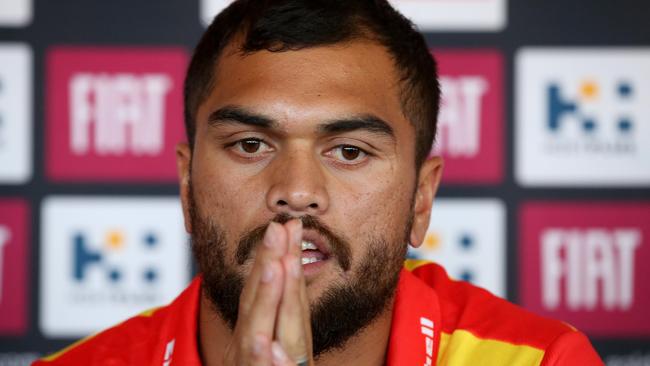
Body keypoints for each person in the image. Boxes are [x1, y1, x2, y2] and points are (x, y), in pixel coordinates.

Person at [34, 0, 604, 365]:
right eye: (251, 145)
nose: (297, 190)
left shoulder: (540, 362)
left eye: (350, 151)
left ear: (421, 198)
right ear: (187, 183)